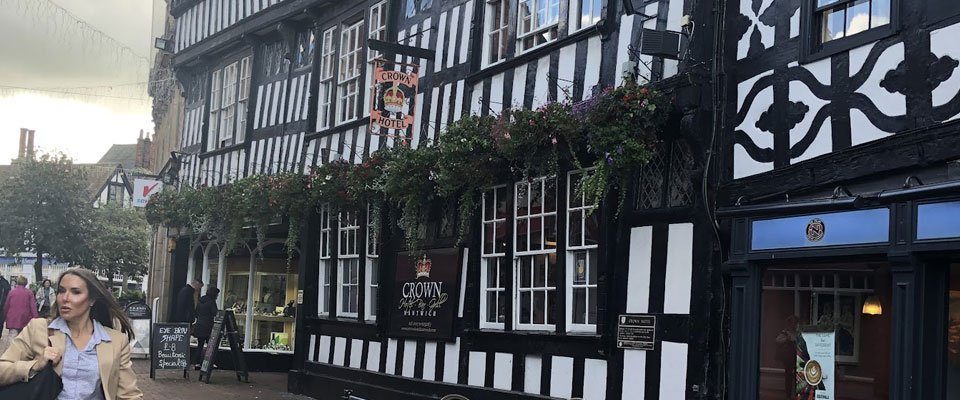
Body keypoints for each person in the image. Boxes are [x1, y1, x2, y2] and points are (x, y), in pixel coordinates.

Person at [0, 268, 143, 399]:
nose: (65, 298)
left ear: (92, 299)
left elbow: (129, 395)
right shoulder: (38, 329)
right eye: (61, 291)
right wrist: (35, 365)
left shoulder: (116, 341)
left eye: (76, 292)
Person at [192, 286, 220, 369]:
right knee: (210, 346)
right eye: (217, 294)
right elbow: (215, 313)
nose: (218, 296)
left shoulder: (200, 300)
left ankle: (197, 363)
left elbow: (196, 312)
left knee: (200, 345)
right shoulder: (212, 302)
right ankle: (210, 362)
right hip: (208, 326)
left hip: (200, 325)